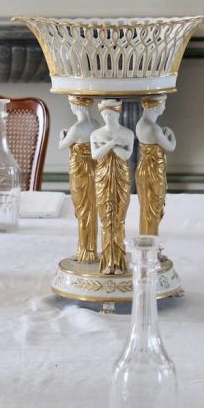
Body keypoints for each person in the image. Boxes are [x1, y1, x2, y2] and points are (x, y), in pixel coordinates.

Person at [90, 99, 134, 275]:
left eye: (111, 114)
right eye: (105, 115)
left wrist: (108, 145)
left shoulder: (128, 133)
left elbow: (126, 155)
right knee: (105, 220)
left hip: (121, 177)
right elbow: (95, 155)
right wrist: (113, 143)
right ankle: (108, 261)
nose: (108, 118)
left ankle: (119, 262)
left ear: (118, 114)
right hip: (103, 177)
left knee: (119, 219)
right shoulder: (95, 134)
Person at [58, 96, 100, 264]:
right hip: (93, 170)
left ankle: (85, 251)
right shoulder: (96, 124)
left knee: (83, 210)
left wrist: (62, 135)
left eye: (72, 104)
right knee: (91, 209)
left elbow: (62, 145)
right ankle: (90, 248)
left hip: (81, 173)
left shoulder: (77, 128)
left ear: (77, 106)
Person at [135, 96, 176, 237]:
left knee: (146, 206)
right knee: (153, 206)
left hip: (143, 168)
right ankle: (151, 240)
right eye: (163, 104)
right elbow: (170, 146)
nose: (164, 108)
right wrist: (170, 133)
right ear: (156, 106)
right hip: (153, 171)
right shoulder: (154, 129)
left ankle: (147, 238)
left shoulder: (140, 124)